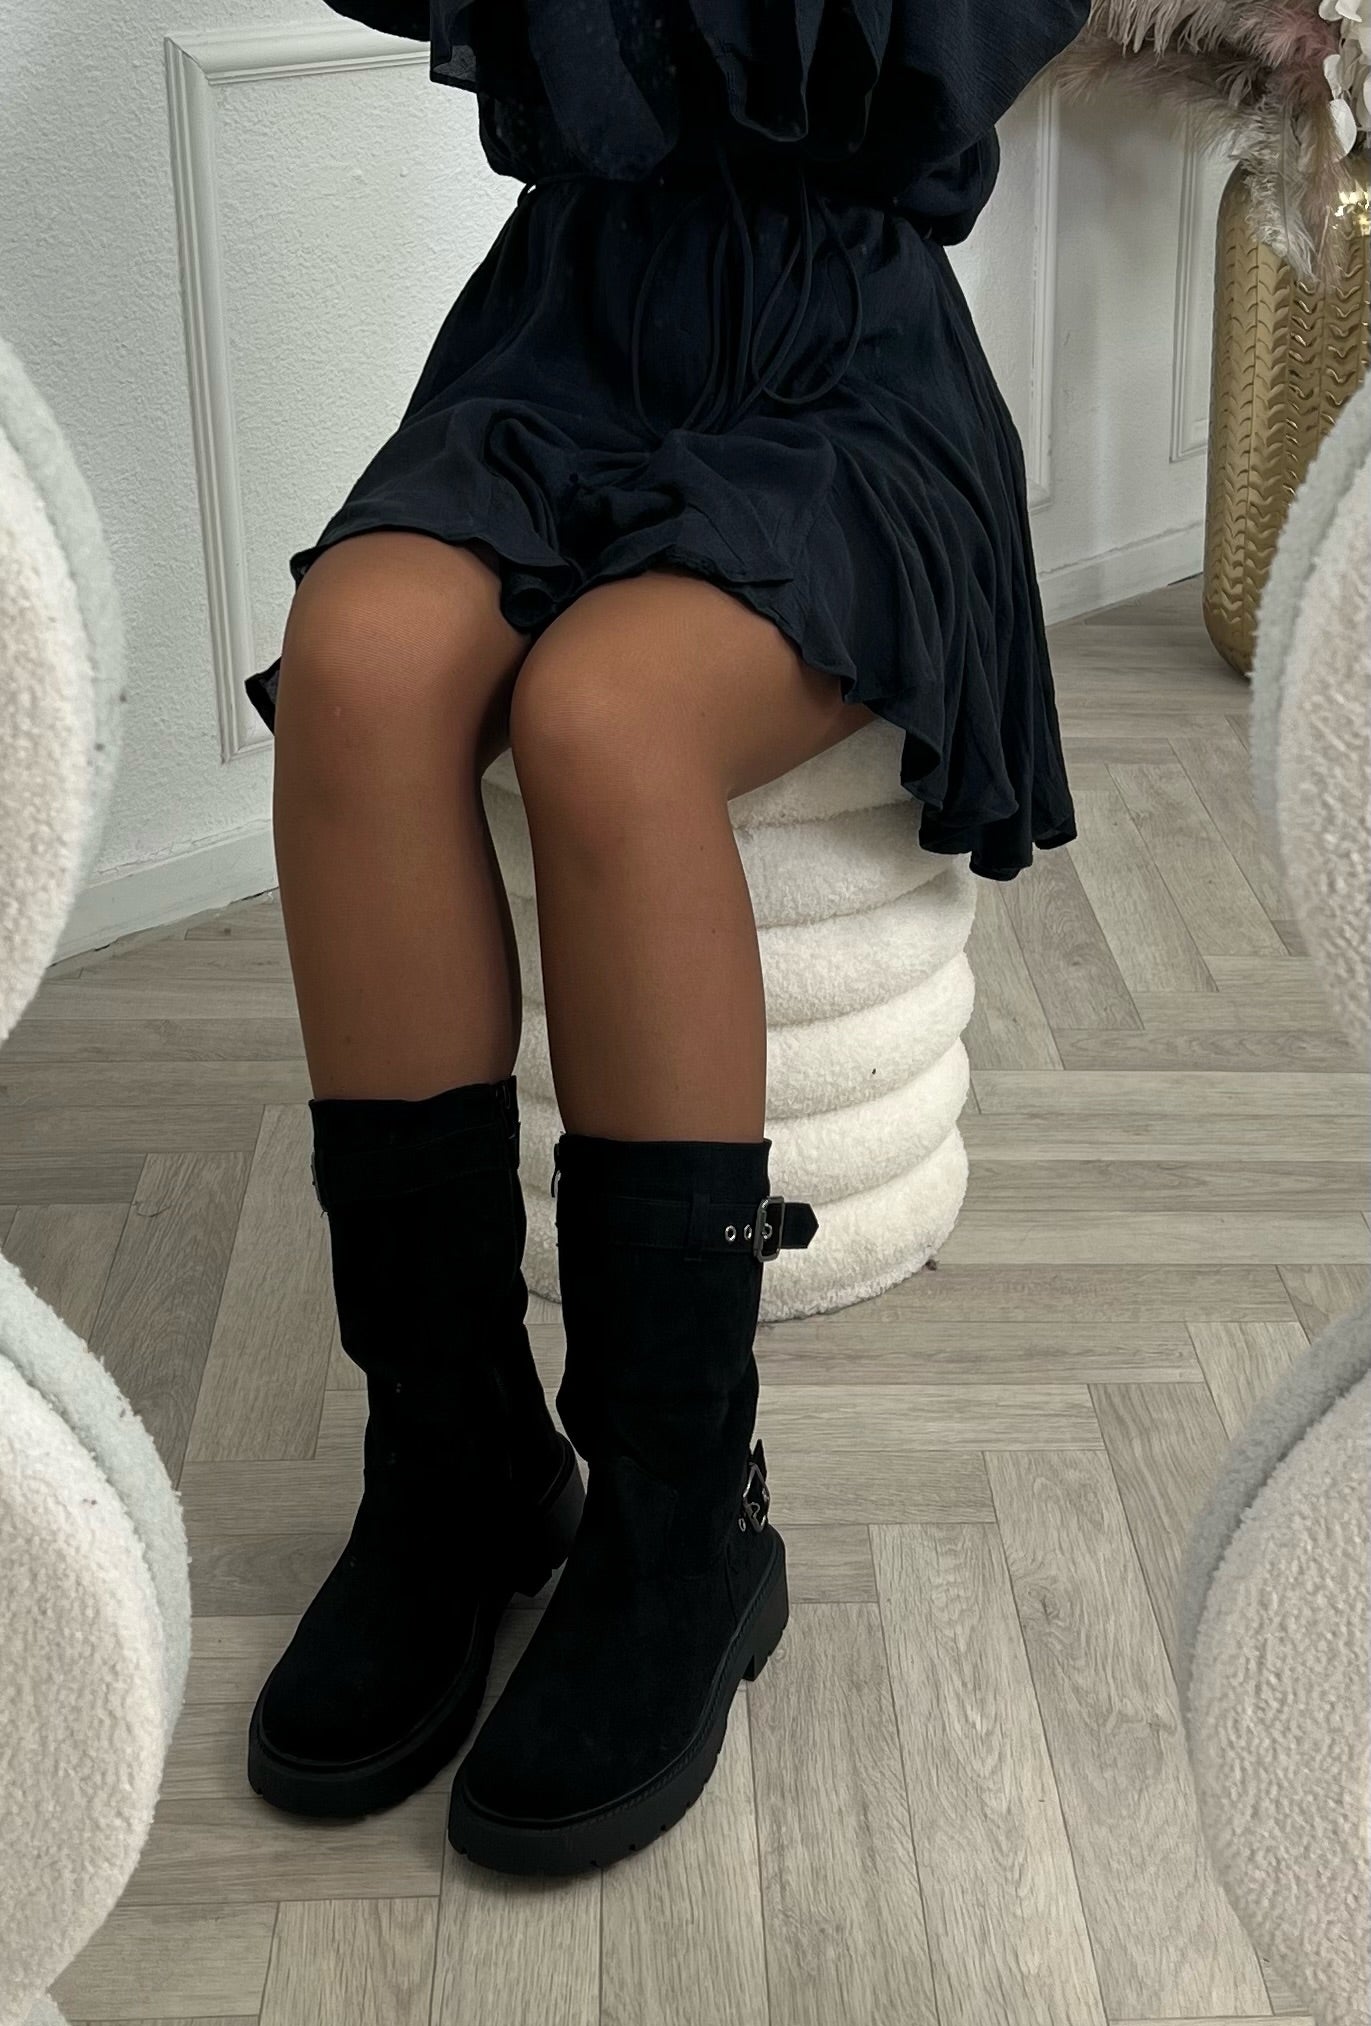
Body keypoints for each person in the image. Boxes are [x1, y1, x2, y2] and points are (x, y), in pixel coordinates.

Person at [242, 0, 1087, 1875]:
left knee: (606, 716)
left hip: (843, 365)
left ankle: (683, 1523)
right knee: (354, 668)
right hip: (564, 332)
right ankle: (456, 1459)